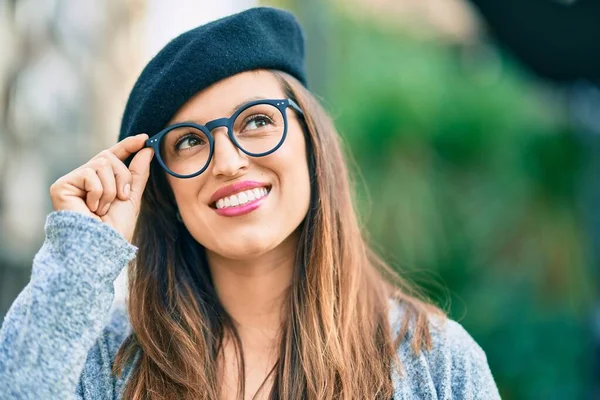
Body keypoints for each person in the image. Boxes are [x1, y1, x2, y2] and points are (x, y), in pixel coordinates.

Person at [0, 7, 500, 400]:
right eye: (189, 141)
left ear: (311, 141)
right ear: (164, 188)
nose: (228, 162)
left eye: (257, 121)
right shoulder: (104, 358)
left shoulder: (436, 362)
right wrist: (81, 256)